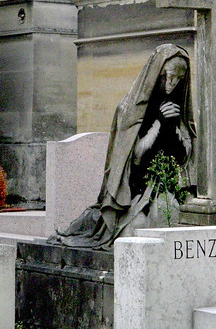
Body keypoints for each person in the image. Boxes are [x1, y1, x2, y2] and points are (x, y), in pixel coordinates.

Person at [48, 44, 196, 249]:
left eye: (179, 79)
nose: (172, 84)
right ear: (157, 73)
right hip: (137, 192)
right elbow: (133, 158)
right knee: (136, 228)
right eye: (169, 76)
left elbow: (185, 157)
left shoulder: (179, 110)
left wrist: (172, 128)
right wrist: (159, 124)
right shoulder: (130, 110)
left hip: (168, 187)